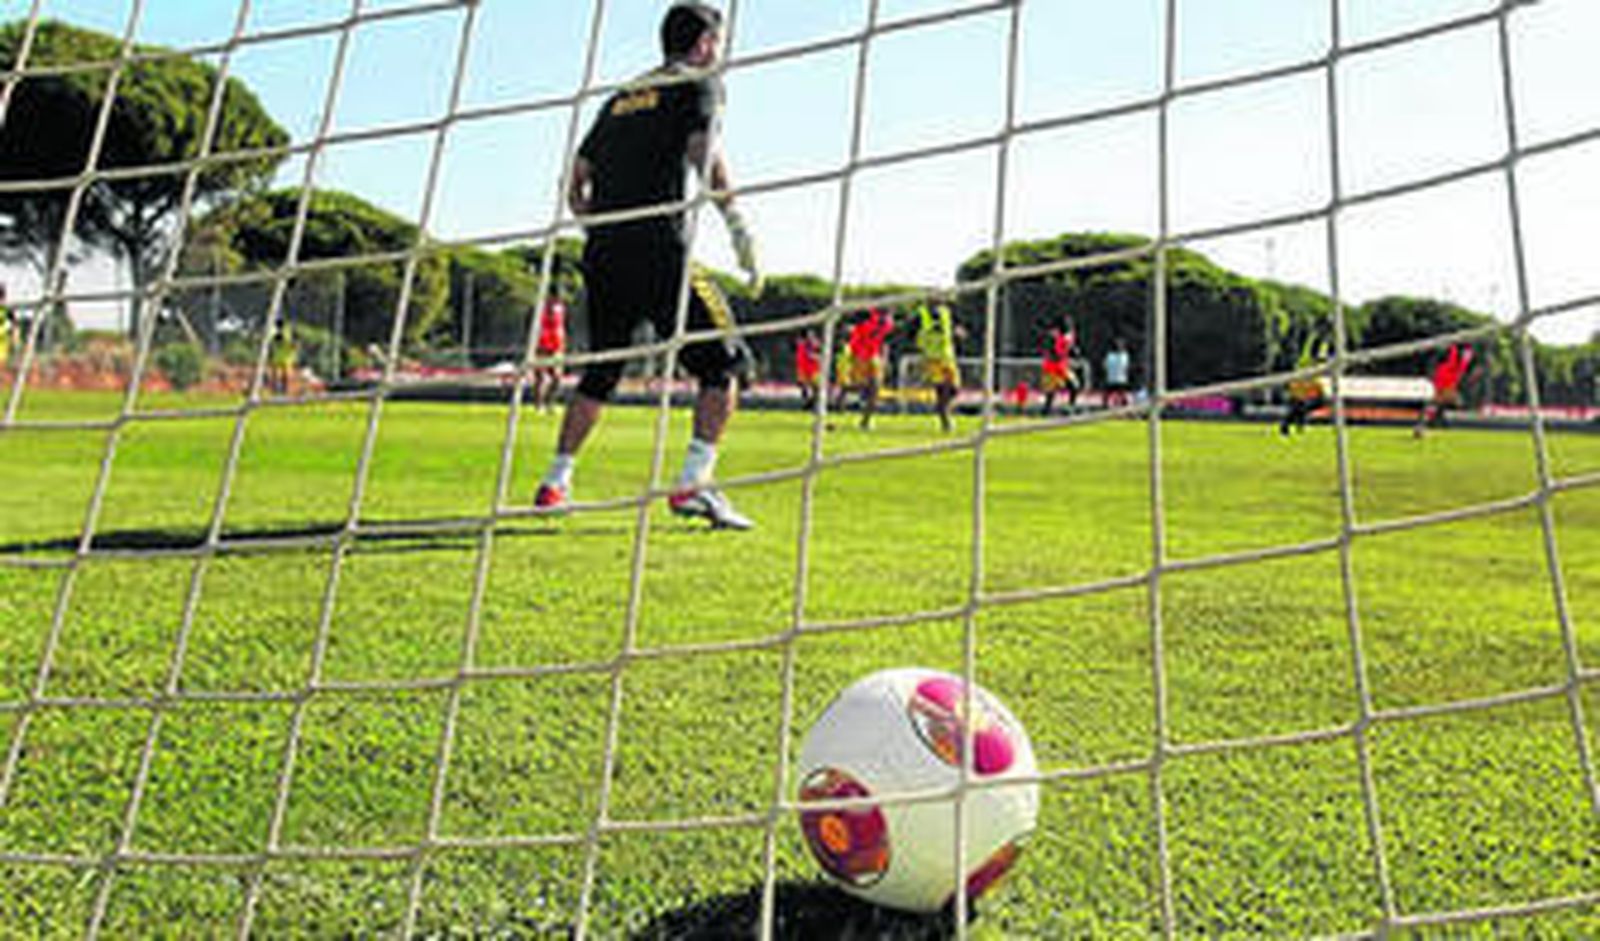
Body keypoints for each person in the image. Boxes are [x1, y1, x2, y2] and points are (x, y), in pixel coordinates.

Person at [534, 3, 762, 530]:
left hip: (603, 254)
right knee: (726, 364)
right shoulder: (697, 84)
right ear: (705, 42)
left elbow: (575, 183)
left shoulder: (620, 98)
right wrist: (737, 224)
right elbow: (704, 154)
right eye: (718, 41)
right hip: (662, 251)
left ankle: (555, 481)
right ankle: (693, 485)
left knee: (602, 370)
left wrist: (605, 227)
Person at [838, 307, 894, 429]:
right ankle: (844, 391)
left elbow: (885, 341)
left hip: (873, 356)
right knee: (861, 386)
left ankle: (866, 420)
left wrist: (885, 359)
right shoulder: (867, 314)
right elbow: (851, 320)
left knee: (875, 388)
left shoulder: (888, 323)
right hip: (859, 355)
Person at [915, 298, 960, 432]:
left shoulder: (946, 312)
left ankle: (943, 410)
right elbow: (910, 330)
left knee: (954, 388)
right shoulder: (921, 314)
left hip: (947, 356)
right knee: (942, 390)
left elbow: (951, 327)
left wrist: (958, 330)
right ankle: (946, 421)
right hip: (932, 358)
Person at [1414, 343, 1474, 438]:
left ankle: (1421, 427)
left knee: (1435, 403)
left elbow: (1458, 362)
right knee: (1436, 402)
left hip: (1444, 376)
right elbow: (1460, 362)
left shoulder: (1457, 357)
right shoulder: (1459, 356)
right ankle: (1421, 427)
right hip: (1445, 376)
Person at [1280, 331, 1330, 436]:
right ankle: (1289, 426)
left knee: (1304, 405)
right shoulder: (1306, 359)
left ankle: (1295, 425)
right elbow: (1309, 351)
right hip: (1302, 381)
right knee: (1298, 406)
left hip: (1307, 381)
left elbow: (1320, 354)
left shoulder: (1314, 360)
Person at [532, 294, 567, 412]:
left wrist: (562, 344)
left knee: (557, 377)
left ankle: (550, 403)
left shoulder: (561, 307)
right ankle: (539, 405)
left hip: (556, 345)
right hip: (542, 344)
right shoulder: (541, 308)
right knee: (540, 377)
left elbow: (561, 326)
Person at [1039, 315, 1079, 415]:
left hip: (1061, 367)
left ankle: (1070, 407)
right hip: (1052, 367)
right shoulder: (1055, 337)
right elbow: (1052, 352)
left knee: (1074, 386)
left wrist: (1073, 350)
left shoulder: (1068, 336)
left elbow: (1070, 348)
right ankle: (1046, 411)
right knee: (1051, 393)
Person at [794, 330, 822, 411]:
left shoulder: (815, 343)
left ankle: (812, 402)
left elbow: (819, 352)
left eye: (812, 335)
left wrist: (816, 357)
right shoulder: (801, 343)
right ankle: (808, 401)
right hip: (803, 368)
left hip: (813, 369)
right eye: (809, 335)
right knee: (803, 386)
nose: (811, 337)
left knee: (816, 387)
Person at [1102, 337, 1131, 408]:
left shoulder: (1109, 356)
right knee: (1122, 395)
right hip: (1120, 379)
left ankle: (1105, 406)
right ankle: (1125, 407)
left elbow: (1105, 367)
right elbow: (1126, 367)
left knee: (1107, 396)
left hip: (1112, 379)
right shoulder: (1125, 356)